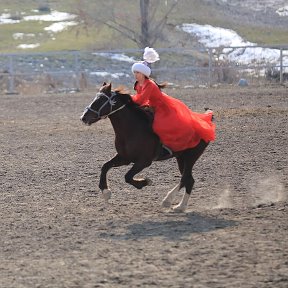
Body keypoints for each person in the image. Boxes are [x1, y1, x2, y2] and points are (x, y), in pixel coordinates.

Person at [131, 47, 215, 154]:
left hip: (162, 107)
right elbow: (139, 98)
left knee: (160, 126)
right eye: (135, 72)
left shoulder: (150, 84)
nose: (135, 75)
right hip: (151, 106)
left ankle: (165, 147)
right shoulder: (139, 84)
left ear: (144, 74)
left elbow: (141, 100)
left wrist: (128, 98)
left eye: (138, 72)